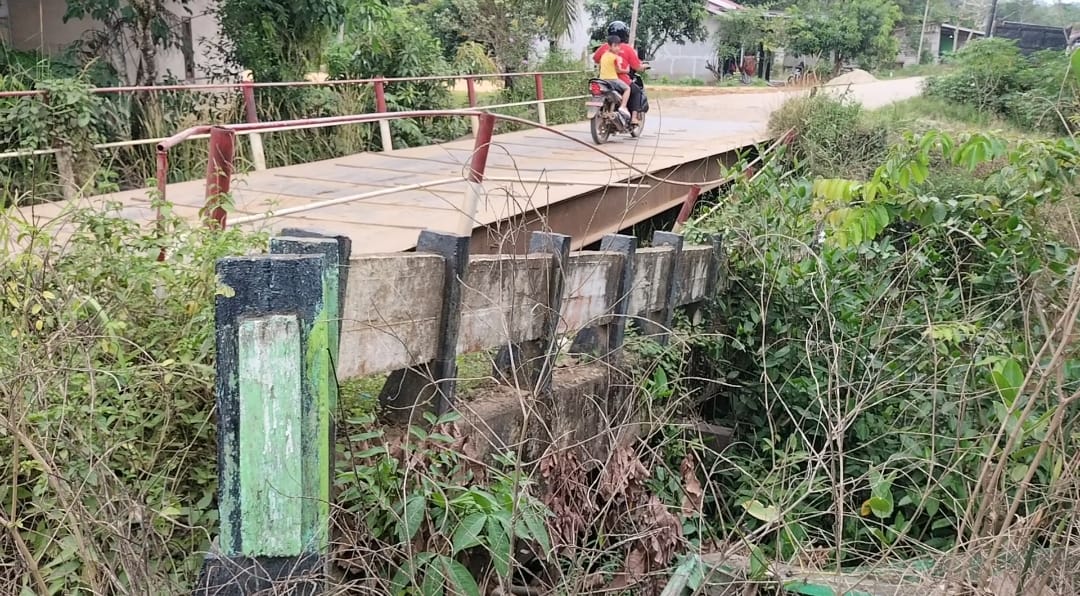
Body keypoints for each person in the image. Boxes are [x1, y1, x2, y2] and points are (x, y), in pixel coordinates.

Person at [592, 20, 644, 123]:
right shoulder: (627, 48)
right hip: (620, 79)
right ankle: (633, 118)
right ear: (625, 34)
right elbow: (637, 66)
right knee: (637, 92)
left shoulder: (604, 47)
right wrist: (643, 67)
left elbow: (596, 59)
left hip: (603, 79)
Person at [594, 33, 632, 120]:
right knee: (627, 89)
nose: (619, 48)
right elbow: (619, 70)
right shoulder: (616, 57)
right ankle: (623, 106)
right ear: (612, 46)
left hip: (602, 80)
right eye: (617, 46)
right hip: (612, 79)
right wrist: (626, 70)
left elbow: (600, 65)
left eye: (619, 46)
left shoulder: (603, 56)